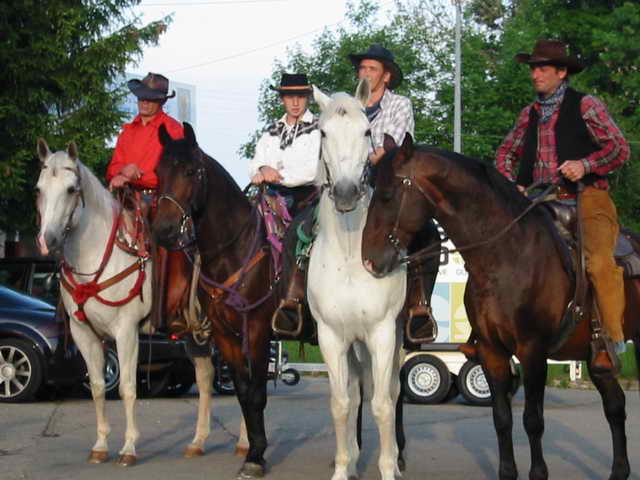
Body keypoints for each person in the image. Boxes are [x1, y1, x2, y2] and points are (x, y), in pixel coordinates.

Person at [273, 46, 441, 346]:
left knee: (426, 233)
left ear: (386, 76)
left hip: (387, 184)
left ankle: (419, 306)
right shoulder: (346, 106)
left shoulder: (399, 104)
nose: (365, 73)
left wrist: (369, 156)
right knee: (298, 229)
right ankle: (293, 299)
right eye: (362, 68)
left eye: (372, 69)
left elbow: (394, 146)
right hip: (345, 182)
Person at [494, 39, 630, 372]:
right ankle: (489, 335)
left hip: (588, 197)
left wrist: (585, 165)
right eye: (533, 69)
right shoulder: (528, 114)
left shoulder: (587, 105)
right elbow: (505, 154)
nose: (534, 75)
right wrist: (512, 185)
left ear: (561, 72)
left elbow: (619, 148)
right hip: (539, 201)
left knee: (599, 262)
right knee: (497, 254)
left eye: (542, 68)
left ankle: (612, 340)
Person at [106, 73, 191, 335]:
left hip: (159, 199)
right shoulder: (127, 130)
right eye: (141, 97)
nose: (144, 102)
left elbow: (175, 171)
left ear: (161, 101)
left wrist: (137, 175)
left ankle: (167, 309)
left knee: (166, 244)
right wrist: (122, 173)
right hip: (125, 198)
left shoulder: (173, 130)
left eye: (151, 98)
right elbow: (113, 167)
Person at [249, 74, 321, 339]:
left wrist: (274, 174)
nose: (295, 102)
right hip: (271, 198)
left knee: (297, 240)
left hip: (305, 197)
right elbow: (255, 163)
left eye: (300, 96)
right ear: (282, 99)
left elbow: (312, 170)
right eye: (290, 97)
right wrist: (261, 168)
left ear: (307, 98)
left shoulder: (318, 128)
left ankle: (294, 301)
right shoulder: (271, 130)